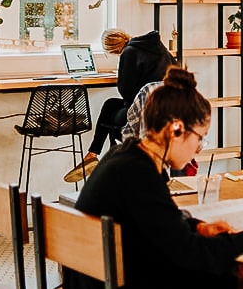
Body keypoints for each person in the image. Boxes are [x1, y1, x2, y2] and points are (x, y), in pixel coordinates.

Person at [61, 67, 243, 289]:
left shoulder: (126, 156)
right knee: (231, 282)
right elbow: (188, 252)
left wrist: (197, 226)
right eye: (200, 139)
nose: (197, 151)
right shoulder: (138, 174)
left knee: (227, 275)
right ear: (176, 129)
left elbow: (159, 223)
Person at [64, 29, 175, 182]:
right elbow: (176, 68)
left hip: (144, 111)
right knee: (110, 104)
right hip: (167, 109)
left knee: (111, 113)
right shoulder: (156, 45)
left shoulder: (128, 53)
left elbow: (125, 91)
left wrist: (122, 74)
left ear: (111, 48)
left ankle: (98, 156)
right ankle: (93, 155)